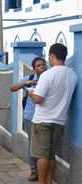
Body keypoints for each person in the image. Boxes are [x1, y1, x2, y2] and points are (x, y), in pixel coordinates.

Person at [29, 43, 77, 184]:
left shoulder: (47, 75)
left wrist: (32, 94)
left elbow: (38, 98)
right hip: (59, 121)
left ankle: (43, 182)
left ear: (52, 56)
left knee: (42, 155)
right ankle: (49, 181)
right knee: (51, 155)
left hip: (43, 121)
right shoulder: (73, 75)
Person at [10, 56, 47, 182]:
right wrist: (25, 83)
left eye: (43, 64)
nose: (42, 67)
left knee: (44, 145)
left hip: (46, 117)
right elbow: (12, 88)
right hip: (30, 116)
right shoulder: (30, 79)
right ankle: (33, 170)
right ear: (33, 68)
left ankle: (44, 171)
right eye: (38, 65)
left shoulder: (49, 79)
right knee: (33, 144)